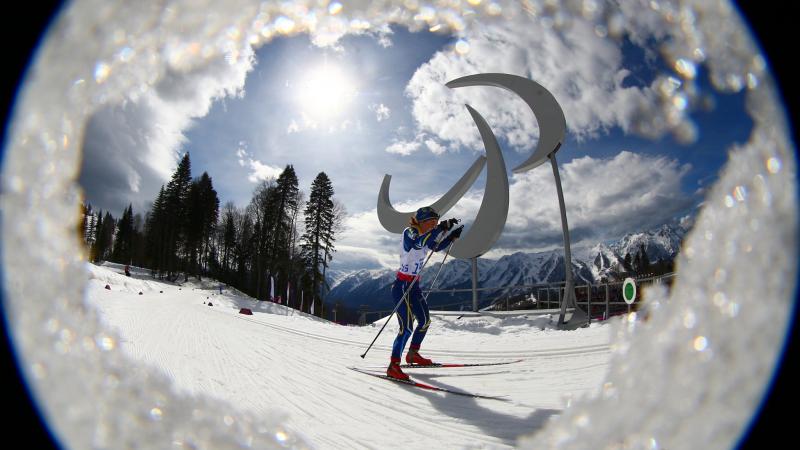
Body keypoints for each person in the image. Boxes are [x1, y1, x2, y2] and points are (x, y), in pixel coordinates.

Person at [387, 206, 463, 380]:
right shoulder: (410, 232)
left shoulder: (426, 234)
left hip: (414, 286)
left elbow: (435, 247)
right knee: (406, 328)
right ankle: (393, 365)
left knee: (425, 321)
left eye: (436, 221)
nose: (434, 224)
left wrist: (451, 236)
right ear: (422, 221)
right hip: (402, 286)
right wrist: (439, 229)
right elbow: (416, 243)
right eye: (432, 222)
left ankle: (413, 354)